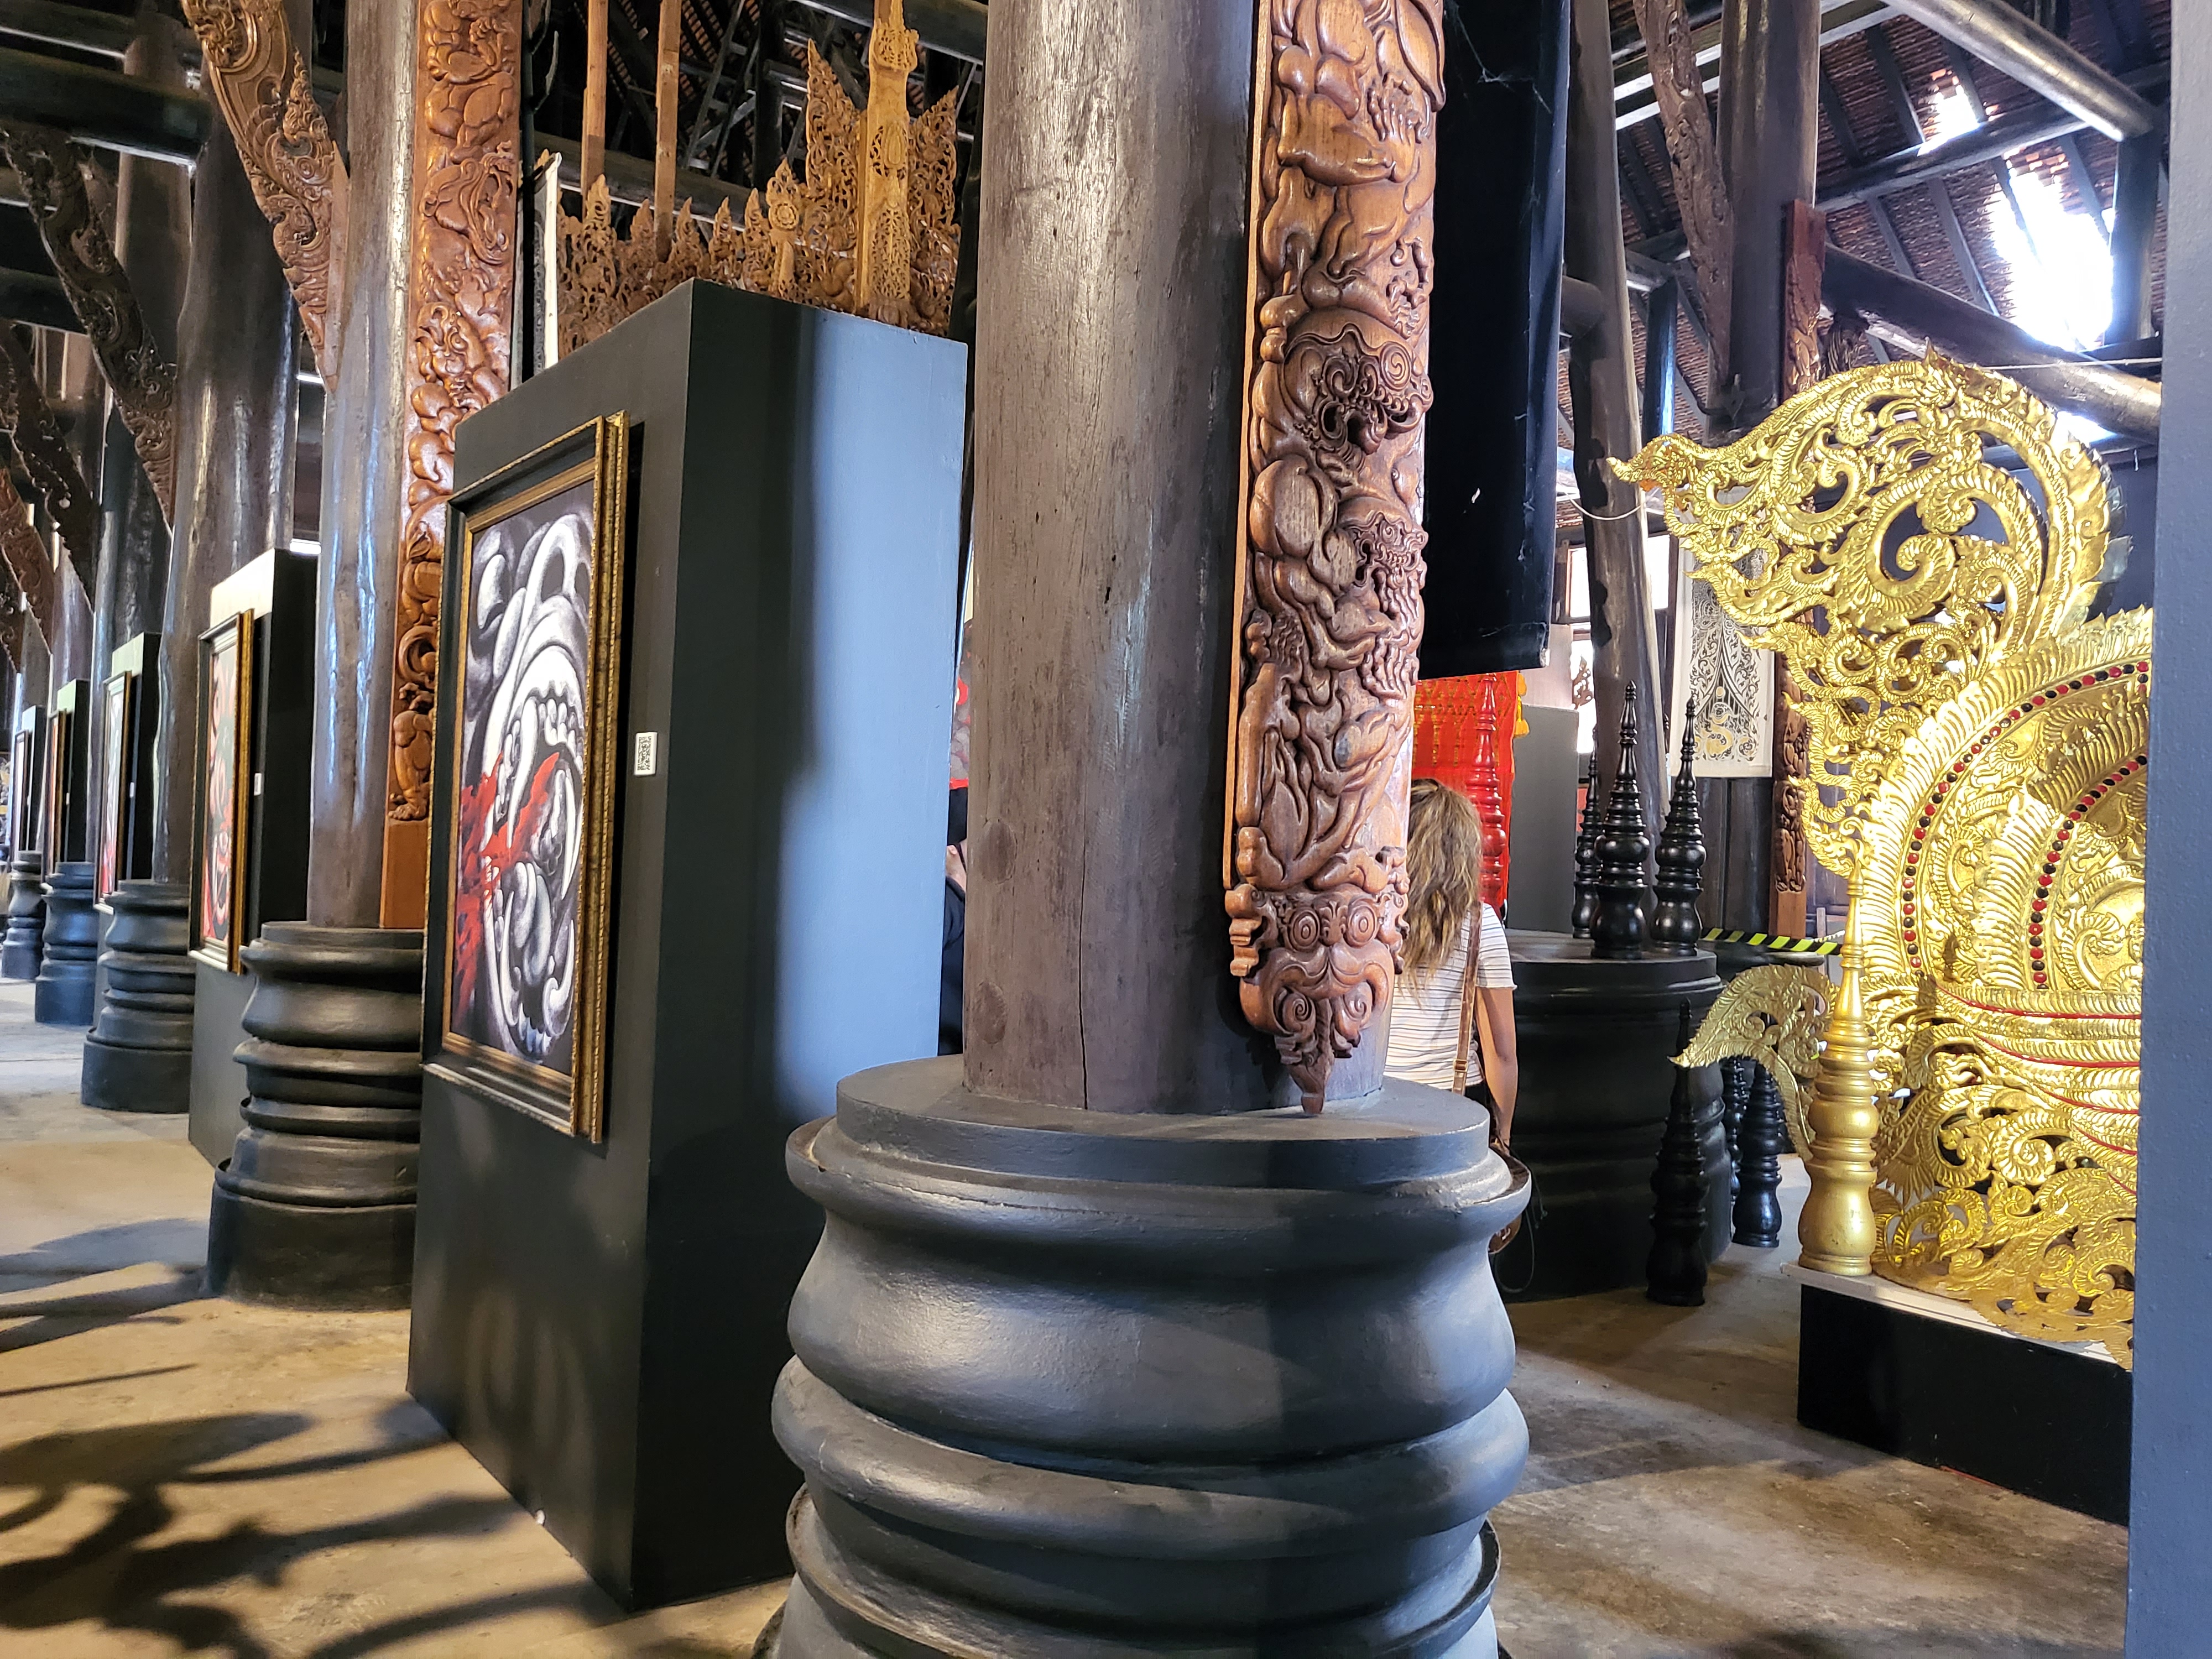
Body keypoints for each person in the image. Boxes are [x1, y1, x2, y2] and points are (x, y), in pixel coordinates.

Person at [1385, 778, 1519, 1148]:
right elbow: (1502, 1053)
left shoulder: (1373, 916)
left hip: (1373, 1096)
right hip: (1455, 1101)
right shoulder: (1480, 923)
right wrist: (1504, 1137)